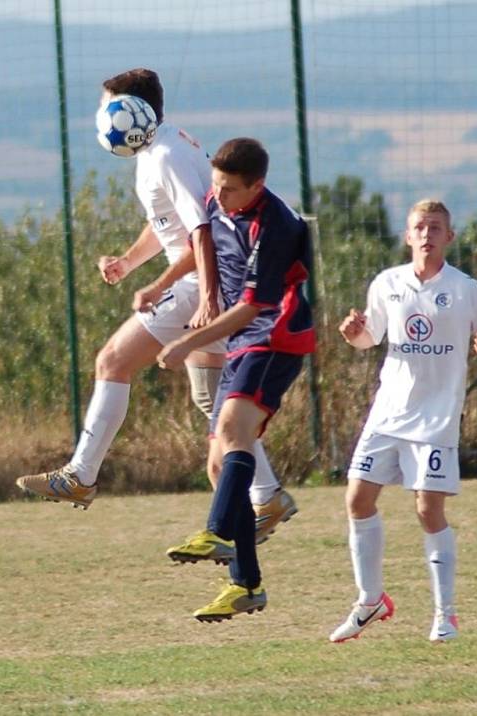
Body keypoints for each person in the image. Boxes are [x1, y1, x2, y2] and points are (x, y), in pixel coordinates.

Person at [15, 70, 296, 545]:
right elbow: (168, 223)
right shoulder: (155, 150)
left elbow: (202, 228)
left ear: (130, 110)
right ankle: (265, 497)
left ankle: (81, 475)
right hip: (203, 279)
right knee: (214, 398)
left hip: (198, 282)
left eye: (109, 106)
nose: (103, 117)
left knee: (113, 361)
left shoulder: (167, 154)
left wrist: (206, 295)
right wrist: (128, 261)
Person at [328, 199, 477, 644]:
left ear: (449, 237)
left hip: (435, 419)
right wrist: (354, 335)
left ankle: (444, 616)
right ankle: (370, 600)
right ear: (407, 236)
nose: (427, 234)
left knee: (428, 510)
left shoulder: (466, 288)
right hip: (388, 415)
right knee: (357, 499)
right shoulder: (388, 283)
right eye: (419, 227)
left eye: (435, 227)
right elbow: (370, 337)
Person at [157, 138, 315, 622]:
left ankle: (218, 531)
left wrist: (189, 341)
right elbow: (201, 244)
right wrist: (161, 283)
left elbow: (253, 305)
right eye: (215, 184)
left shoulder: (278, 225)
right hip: (242, 341)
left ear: (258, 186)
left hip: (276, 335)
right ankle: (245, 586)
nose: (218, 196)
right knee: (217, 465)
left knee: (231, 431)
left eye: (229, 190)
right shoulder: (217, 198)